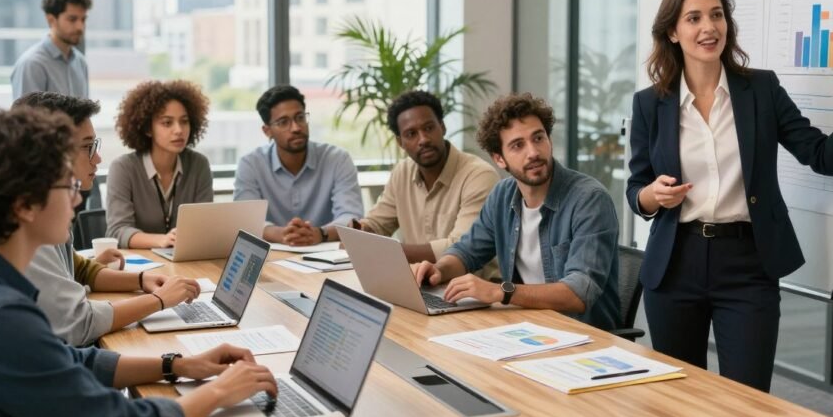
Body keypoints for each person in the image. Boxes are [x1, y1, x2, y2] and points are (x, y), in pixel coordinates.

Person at [625, 0, 833, 392]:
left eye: (717, 15)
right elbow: (637, 190)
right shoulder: (650, 103)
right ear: (672, 33)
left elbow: (823, 157)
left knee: (749, 402)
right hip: (675, 263)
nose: (709, 27)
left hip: (746, 263)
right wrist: (651, 195)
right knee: (679, 402)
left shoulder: (761, 89)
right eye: (694, 18)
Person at [0, 106, 276, 417]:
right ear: (24, 205)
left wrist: (178, 365)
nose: (77, 199)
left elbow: (68, 361)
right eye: (67, 185)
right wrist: (219, 392)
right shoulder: (1, 318)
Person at [414, 93, 620, 330]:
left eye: (538, 138)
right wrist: (438, 270)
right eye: (518, 145)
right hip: (527, 328)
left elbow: (578, 293)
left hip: (583, 336)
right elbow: (467, 251)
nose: (533, 152)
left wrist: (501, 291)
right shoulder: (502, 195)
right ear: (499, 159)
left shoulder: (589, 199)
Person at [14, 92, 201, 346]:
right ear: (51, 150)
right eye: (87, 146)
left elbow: (77, 267)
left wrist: (140, 280)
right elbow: (79, 324)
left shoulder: (48, 204)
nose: (98, 158)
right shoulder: (30, 223)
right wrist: (158, 301)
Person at [323, 90, 501, 279]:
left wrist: (387, 251)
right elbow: (377, 223)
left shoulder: (479, 175)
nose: (423, 139)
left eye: (429, 128)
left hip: (474, 290)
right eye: (411, 134)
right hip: (417, 283)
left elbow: (460, 247)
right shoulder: (402, 172)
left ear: (442, 127)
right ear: (401, 142)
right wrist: (360, 233)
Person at [234, 85, 363, 246]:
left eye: (300, 117)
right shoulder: (251, 164)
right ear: (267, 131)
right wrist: (282, 234)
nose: (295, 128)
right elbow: (245, 221)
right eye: (283, 122)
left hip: (327, 257)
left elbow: (351, 216)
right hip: (272, 256)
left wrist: (320, 233)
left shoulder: (337, 159)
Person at [106, 80, 214, 249]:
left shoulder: (199, 165)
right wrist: (161, 240)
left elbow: (205, 226)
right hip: (139, 265)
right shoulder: (123, 168)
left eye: (184, 121)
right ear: (148, 129)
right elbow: (117, 231)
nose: (178, 130)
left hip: (186, 262)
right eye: (167, 123)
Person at [11, 0, 93, 99]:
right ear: (51, 20)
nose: (80, 27)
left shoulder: (80, 62)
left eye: (83, 19)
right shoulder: (33, 64)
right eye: (72, 19)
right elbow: (25, 116)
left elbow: (84, 113)